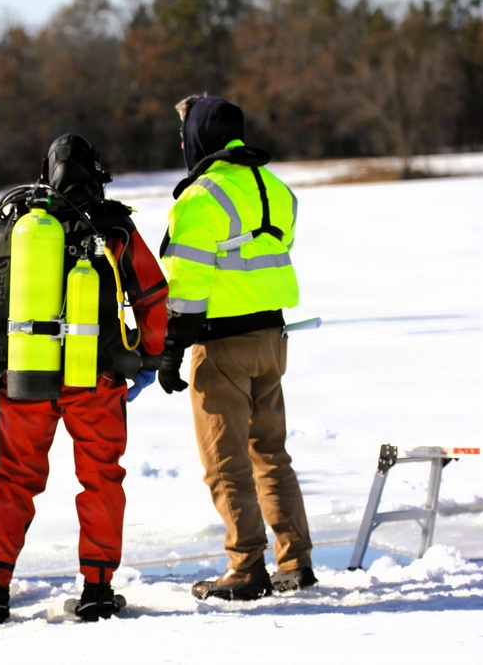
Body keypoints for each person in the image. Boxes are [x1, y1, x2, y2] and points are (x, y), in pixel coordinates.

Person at [0, 134, 169, 623]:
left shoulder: (8, 228)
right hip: (93, 379)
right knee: (100, 479)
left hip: (25, 378)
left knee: (14, 480)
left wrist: (3, 362)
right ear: (95, 174)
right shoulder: (114, 227)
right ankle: (96, 590)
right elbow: (153, 296)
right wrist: (149, 358)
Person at [155, 95, 317, 600]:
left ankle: (246, 568)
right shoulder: (276, 188)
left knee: (225, 462)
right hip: (273, 339)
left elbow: (186, 283)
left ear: (198, 138)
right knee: (271, 453)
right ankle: (295, 560)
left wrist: (172, 347)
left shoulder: (201, 198)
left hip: (222, 345)